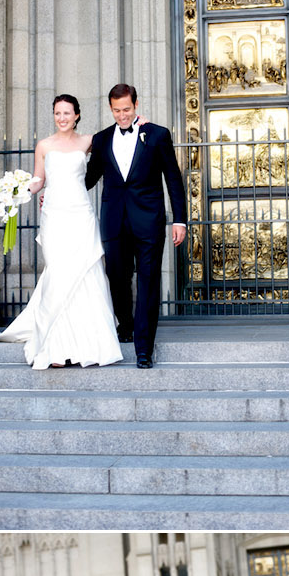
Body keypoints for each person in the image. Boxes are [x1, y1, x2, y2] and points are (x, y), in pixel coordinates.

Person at [0, 94, 123, 369]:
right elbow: (38, 180)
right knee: (59, 274)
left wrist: (141, 121)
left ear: (77, 115)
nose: (62, 118)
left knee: (86, 272)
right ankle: (54, 345)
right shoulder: (44, 145)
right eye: (57, 113)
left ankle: (86, 345)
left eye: (67, 113)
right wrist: (14, 191)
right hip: (54, 216)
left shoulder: (89, 141)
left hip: (80, 216)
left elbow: (118, 130)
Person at [85, 82, 187, 368]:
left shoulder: (157, 135)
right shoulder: (102, 139)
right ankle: (126, 325)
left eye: (126, 109)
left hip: (149, 222)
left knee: (148, 283)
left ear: (136, 106)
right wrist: (59, 192)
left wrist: (179, 219)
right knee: (117, 279)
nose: (122, 116)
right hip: (114, 221)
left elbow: (173, 180)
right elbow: (90, 178)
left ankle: (145, 350)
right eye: (117, 111)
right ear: (111, 109)